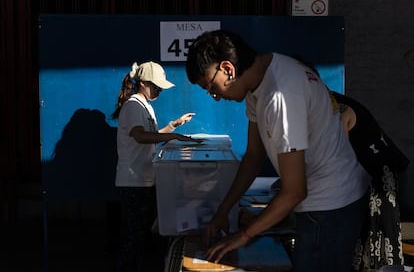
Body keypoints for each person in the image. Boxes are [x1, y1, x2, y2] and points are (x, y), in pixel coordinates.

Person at [185, 30, 371, 272]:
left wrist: (244, 236)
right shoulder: (258, 83)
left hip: (331, 208)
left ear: (228, 69)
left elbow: (294, 191)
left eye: (211, 87)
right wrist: (224, 210)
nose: (216, 97)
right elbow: (253, 156)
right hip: (321, 201)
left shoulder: (280, 96)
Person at [111, 61, 201, 272]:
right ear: (142, 83)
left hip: (144, 179)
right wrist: (174, 135)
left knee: (142, 237)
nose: (159, 89)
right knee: (137, 238)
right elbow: (141, 136)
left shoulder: (144, 105)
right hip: (134, 182)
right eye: (156, 85)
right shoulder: (133, 105)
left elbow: (151, 136)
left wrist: (175, 124)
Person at [330, 90, 409, 271]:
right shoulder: (332, 104)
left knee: (381, 234)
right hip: (370, 170)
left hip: (380, 171)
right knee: (366, 236)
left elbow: (339, 156)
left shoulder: (340, 111)